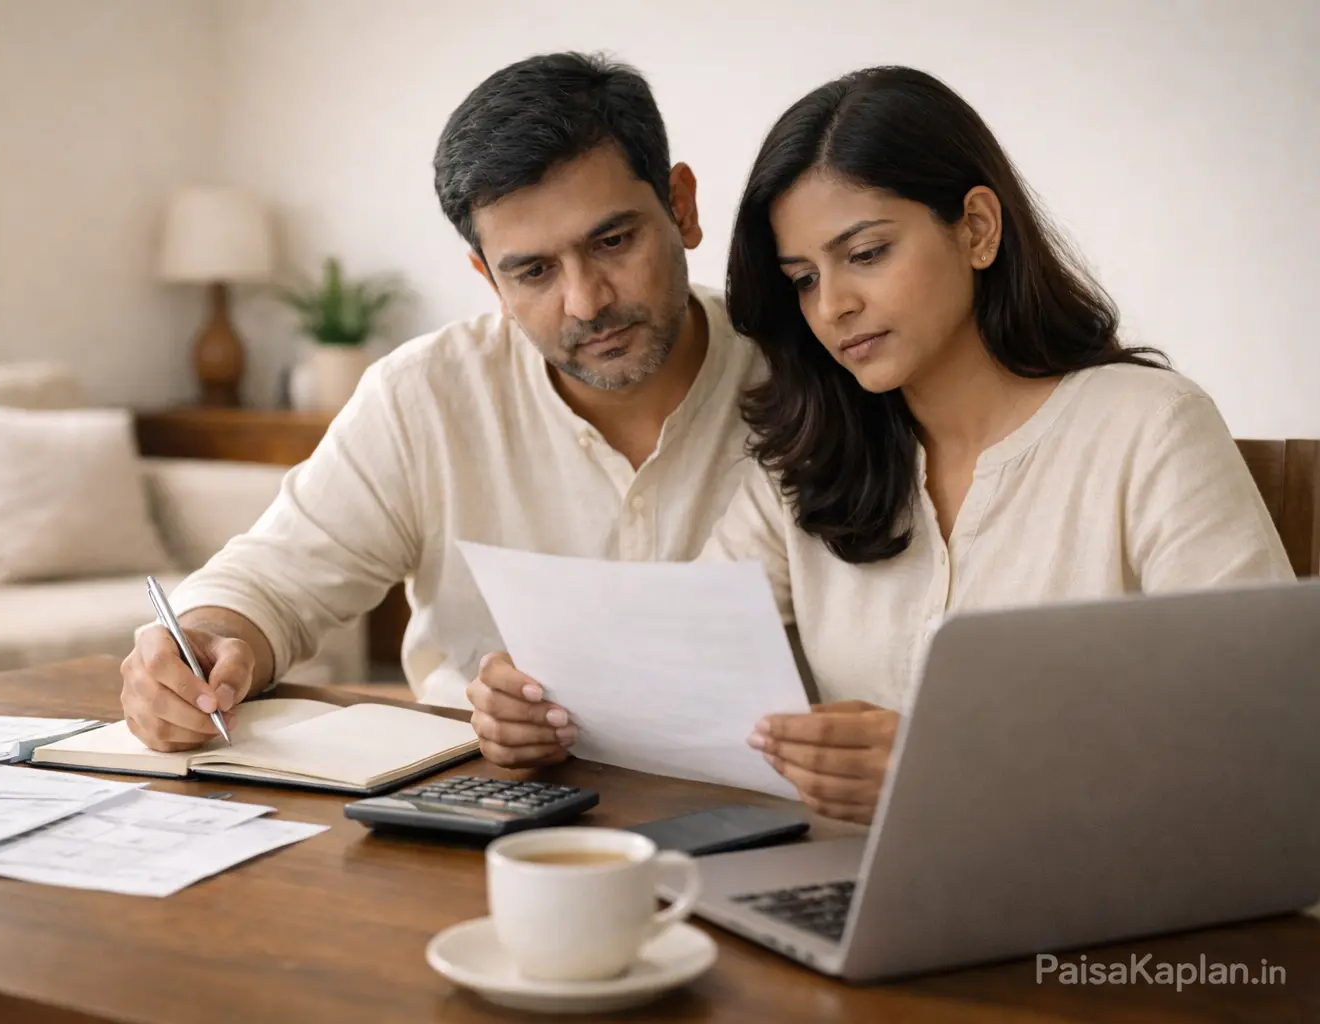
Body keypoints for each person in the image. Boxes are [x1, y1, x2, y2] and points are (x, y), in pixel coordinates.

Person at [475, 66, 1294, 822]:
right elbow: (658, 662)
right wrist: (528, 703)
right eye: (803, 279)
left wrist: (952, 764)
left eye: (866, 254)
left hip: (1107, 903)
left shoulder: (1149, 429)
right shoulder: (809, 464)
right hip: (858, 890)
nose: (833, 306)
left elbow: (1269, 733)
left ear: (977, 229)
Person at [118, 52, 766, 752]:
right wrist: (201, 649)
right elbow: (271, 583)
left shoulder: (805, 378)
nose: (586, 302)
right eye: (534, 271)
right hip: (478, 788)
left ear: (681, 206)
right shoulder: (424, 396)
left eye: (613, 241)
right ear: (489, 280)